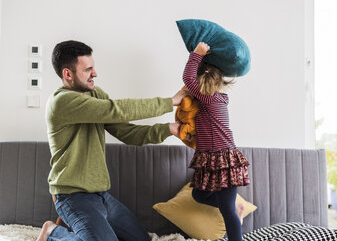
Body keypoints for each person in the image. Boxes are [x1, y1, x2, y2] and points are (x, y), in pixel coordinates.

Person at [36, 40, 186, 241]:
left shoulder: (96, 94)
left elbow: (126, 132)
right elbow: (116, 109)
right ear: (68, 74)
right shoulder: (61, 102)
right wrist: (171, 102)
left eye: (93, 67)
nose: (95, 74)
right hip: (72, 197)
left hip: (101, 195)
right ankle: (53, 232)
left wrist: (169, 129)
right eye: (88, 69)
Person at [183, 42, 250, 241]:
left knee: (227, 211)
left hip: (223, 160)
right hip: (211, 159)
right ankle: (235, 206)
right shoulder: (216, 99)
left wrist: (197, 54)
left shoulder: (209, 98)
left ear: (209, 81)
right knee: (199, 195)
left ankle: (234, 214)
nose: (193, 85)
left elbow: (187, 77)